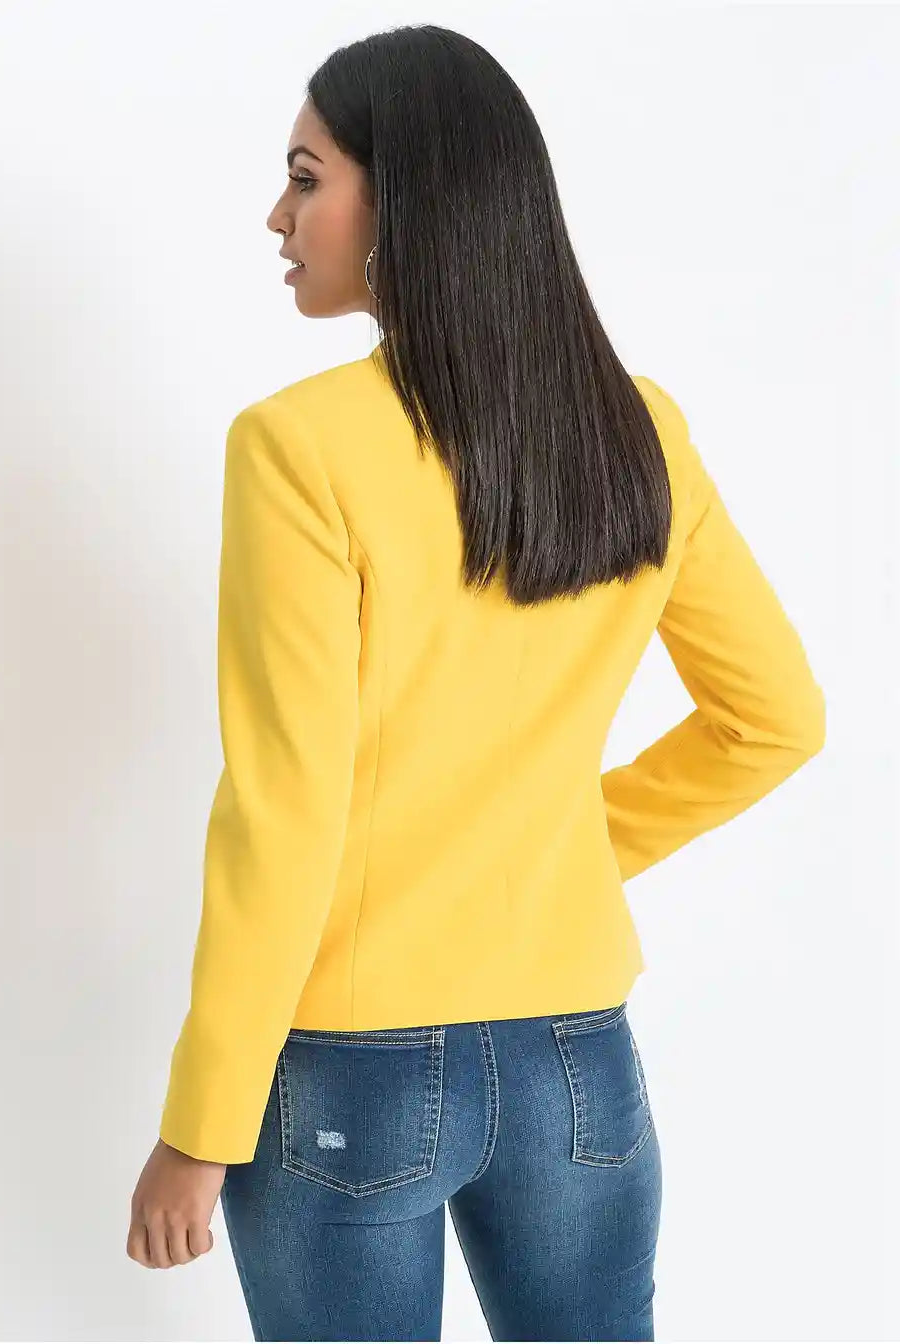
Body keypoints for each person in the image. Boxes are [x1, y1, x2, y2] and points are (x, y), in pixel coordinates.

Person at [125, 23, 825, 1342]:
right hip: (578, 1055)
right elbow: (774, 721)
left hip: (351, 1068)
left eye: (307, 178)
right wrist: (558, 853)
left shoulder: (299, 447)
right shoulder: (639, 428)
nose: (278, 216)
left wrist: (200, 1128)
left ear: (407, 195)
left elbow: (286, 812)